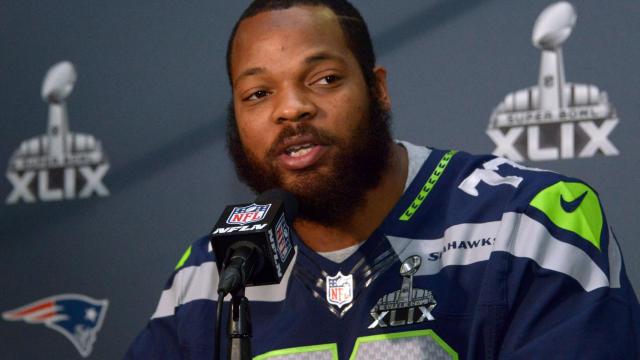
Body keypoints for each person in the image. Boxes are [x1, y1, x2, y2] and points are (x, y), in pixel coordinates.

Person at [126, 0, 640, 358]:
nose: (292, 109)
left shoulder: (527, 225)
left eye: (324, 79)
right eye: (257, 94)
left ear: (378, 89)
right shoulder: (212, 274)